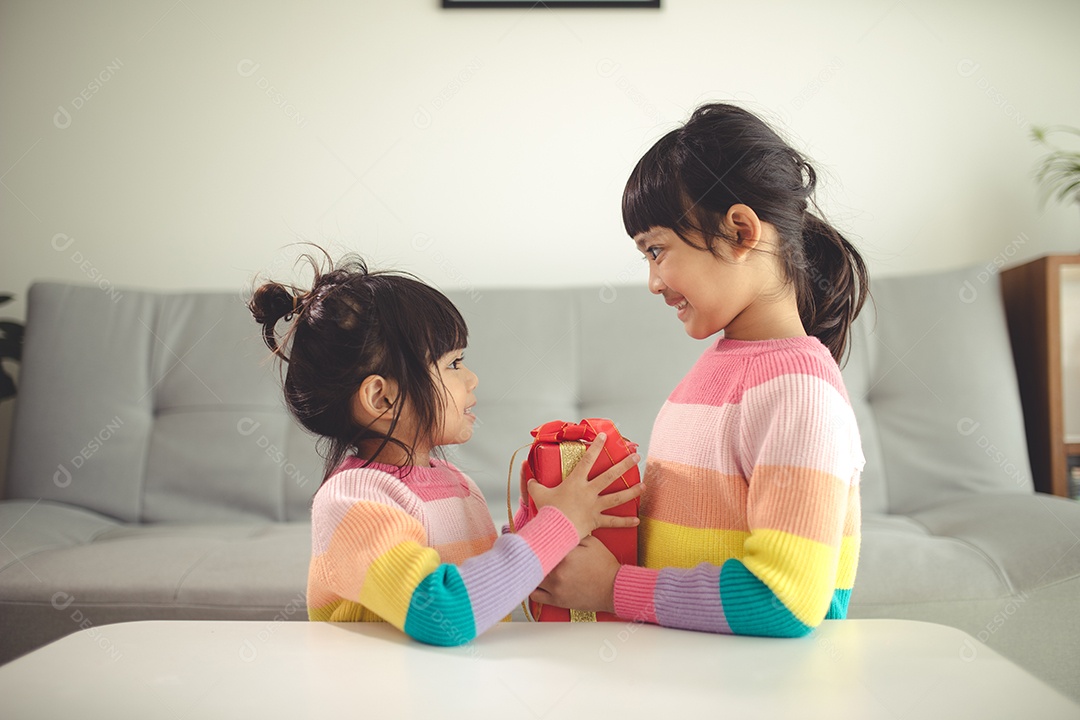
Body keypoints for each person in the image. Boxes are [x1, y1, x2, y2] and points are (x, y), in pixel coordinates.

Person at [531, 103, 868, 637]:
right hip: (691, 672)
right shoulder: (714, 372)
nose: (653, 281)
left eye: (657, 250)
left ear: (738, 233)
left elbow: (786, 600)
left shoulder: (800, 393)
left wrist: (614, 587)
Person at [249, 251, 643, 646]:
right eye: (453, 364)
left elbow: (489, 586)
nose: (472, 379)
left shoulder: (456, 483)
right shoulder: (352, 501)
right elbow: (444, 612)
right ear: (381, 398)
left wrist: (538, 517)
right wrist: (562, 521)